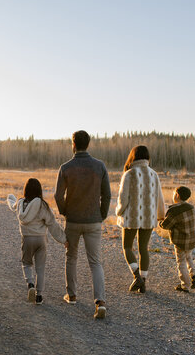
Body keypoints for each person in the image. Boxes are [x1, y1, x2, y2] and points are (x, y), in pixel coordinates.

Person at [55, 130, 111, 319]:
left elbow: (58, 195)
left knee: (71, 257)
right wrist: (101, 214)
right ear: (88, 144)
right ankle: (100, 302)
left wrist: (64, 211)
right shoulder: (99, 166)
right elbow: (107, 195)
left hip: (73, 220)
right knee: (95, 262)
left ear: (73, 144)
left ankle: (71, 295)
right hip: (93, 220)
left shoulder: (65, 167)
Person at [7, 178, 67, 305]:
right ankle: (39, 296)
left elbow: (12, 206)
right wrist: (64, 240)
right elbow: (52, 224)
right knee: (40, 268)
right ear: (39, 190)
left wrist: (10, 197)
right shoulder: (43, 205)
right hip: (41, 240)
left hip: (27, 238)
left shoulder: (20, 203)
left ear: (26, 190)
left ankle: (30, 284)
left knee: (26, 263)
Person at [115, 145, 165, 294]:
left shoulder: (129, 174)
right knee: (144, 249)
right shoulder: (153, 174)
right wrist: (161, 214)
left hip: (131, 217)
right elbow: (159, 198)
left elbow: (123, 199)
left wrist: (119, 211)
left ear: (133, 157)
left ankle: (137, 277)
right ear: (147, 157)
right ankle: (143, 282)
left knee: (127, 247)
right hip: (149, 217)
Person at [159, 186, 195, 293]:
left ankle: (185, 285)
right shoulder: (191, 207)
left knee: (181, 262)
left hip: (180, 241)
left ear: (177, 195)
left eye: (174, 194)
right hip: (190, 240)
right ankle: (194, 275)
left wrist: (160, 222)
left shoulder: (174, 211)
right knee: (189, 258)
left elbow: (166, 225)